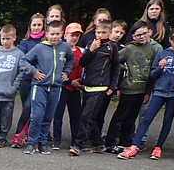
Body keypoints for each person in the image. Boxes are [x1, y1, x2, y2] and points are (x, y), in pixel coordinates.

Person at [119, 27, 174, 161]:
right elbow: (152, 74)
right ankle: (134, 146)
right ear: (169, 40)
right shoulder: (162, 53)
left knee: (167, 120)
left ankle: (158, 147)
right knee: (147, 118)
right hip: (159, 91)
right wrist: (160, 68)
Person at [103, 21, 158, 154]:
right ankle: (110, 142)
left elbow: (152, 71)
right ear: (133, 36)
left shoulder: (152, 50)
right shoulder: (129, 49)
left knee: (131, 118)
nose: (142, 36)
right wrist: (124, 68)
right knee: (120, 116)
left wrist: (148, 91)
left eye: (144, 33)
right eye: (138, 34)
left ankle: (125, 141)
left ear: (149, 33)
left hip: (142, 89)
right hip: (128, 88)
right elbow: (113, 61)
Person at [20, 20, 74, 155]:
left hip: (56, 87)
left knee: (48, 117)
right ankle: (31, 143)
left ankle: (42, 143)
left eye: (57, 34)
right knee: (37, 115)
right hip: (40, 87)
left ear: (62, 34)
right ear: (47, 34)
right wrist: (34, 72)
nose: (54, 37)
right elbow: (23, 61)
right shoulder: (39, 48)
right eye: (52, 34)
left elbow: (71, 59)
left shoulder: (64, 47)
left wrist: (66, 72)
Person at [77, 20, 119, 153]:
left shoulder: (112, 47)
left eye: (103, 32)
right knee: (91, 116)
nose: (100, 35)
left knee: (86, 116)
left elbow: (115, 68)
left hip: (101, 87)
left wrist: (112, 86)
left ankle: (78, 144)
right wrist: (91, 50)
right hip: (87, 86)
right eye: (98, 32)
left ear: (109, 33)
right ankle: (98, 143)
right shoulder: (91, 44)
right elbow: (82, 63)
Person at [10, 13, 45, 148]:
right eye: (34, 25)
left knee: (32, 108)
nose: (36, 27)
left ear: (43, 26)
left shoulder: (45, 42)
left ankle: (20, 135)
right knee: (27, 108)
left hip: (40, 81)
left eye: (39, 25)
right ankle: (24, 134)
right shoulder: (25, 42)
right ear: (30, 26)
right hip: (27, 79)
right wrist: (33, 70)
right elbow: (23, 61)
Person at [55, 22, 84, 153]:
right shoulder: (60, 50)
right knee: (58, 115)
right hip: (63, 86)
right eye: (72, 35)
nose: (74, 38)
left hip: (76, 88)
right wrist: (69, 81)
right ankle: (56, 140)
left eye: (77, 35)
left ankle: (75, 141)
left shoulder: (81, 51)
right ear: (65, 35)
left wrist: (81, 82)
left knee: (76, 116)